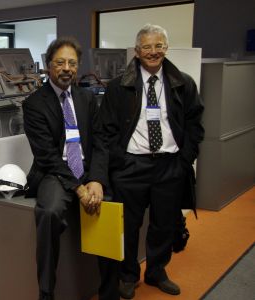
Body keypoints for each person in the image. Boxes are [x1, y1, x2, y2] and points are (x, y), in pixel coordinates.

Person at [100, 24, 204, 299]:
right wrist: (119, 161)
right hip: (131, 166)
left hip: (170, 165)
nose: (153, 52)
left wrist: (185, 160)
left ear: (166, 48)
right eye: (147, 47)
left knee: (164, 224)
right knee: (129, 225)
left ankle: (157, 271)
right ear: (136, 51)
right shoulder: (117, 87)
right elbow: (106, 129)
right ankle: (128, 275)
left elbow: (195, 124)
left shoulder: (184, 83)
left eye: (159, 46)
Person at [23, 36, 119, 300]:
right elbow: (46, 155)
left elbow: (101, 141)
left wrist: (97, 180)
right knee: (50, 212)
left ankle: (109, 292)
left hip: (88, 170)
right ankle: (46, 292)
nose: (67, 68)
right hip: (54, 173)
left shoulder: (87, 98)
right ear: (48, 65)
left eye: (72, 63)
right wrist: (78, 188)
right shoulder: (34, 104)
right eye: (60, 62)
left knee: (110, 208)